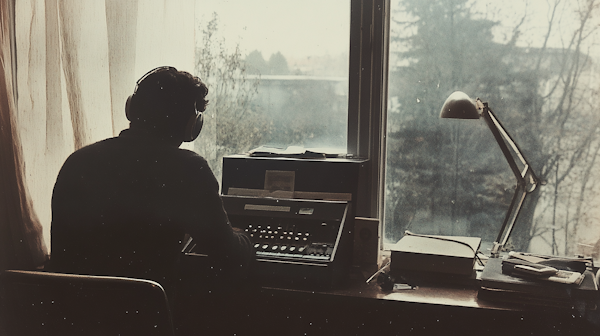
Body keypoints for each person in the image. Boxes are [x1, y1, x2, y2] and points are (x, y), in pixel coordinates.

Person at [49, 67, 255, 304]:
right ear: (192, 125)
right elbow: (230, 256)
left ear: (131, 109)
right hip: (144, 316)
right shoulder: (188, 168)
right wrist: (243, 237)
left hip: (75, 316)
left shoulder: (78, 160)